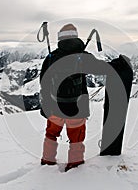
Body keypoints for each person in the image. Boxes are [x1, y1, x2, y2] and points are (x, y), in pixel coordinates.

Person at [39, 23, 91, 172]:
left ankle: (47, 161)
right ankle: (74, 166)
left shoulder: (51, 58)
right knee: (76, 139)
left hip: (55, 107)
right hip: (77, 109)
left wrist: (46, 105)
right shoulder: (83, 57)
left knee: (51, 135)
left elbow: (44, 82)